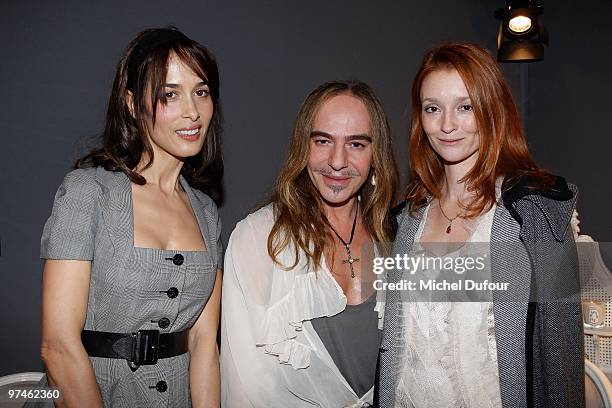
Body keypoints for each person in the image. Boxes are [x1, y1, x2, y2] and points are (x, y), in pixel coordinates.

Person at [377, 42, 585, 407]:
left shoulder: (537, 213)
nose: (446, 125)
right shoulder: (407, 220)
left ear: (492, 109)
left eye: (465, 107)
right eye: (432, 108)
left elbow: (561, 361)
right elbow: (396, 350)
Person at [33, 27, 223, 407]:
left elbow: (204, 345)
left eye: (201, 92)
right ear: (133, 103)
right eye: (169, 94)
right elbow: (58, 346)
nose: (192, 110)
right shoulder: (89, 193)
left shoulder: (207, 213)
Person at [220, 80, 398, 407]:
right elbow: (245, 383)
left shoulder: (396, 234)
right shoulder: (259, 237)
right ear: (304, 146)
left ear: (376, 155)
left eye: (357, 144)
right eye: (323, 140)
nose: (337, 161)